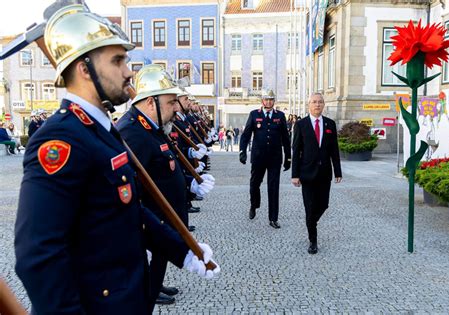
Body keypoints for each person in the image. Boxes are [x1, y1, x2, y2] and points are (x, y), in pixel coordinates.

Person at [14, 5, 219, 314]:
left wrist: (183, 251)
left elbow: (128, 210)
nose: (128, 71)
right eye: (118, 60)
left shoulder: (100, 128)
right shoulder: (60, 139)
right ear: (85, 69)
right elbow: (38, 255)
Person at [117, 65, 215, 305]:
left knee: (155, 279)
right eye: (171, 102)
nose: (175, 108)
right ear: (151, 102)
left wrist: (190, 183)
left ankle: (156, 283)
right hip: (152, 231)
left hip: (163, 228)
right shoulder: (132, 133)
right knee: (144, 299)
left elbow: (164, 170)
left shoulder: (152, 127)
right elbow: (131, 195)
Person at [291, 93, 342, 254]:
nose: (317, 105)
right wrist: (295, 174)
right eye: (314, 102)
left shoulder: (330, 124)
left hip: (325, 173)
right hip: (307, 174)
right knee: (309, 207)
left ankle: (311, 221)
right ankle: (313, 240)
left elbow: (334, 149)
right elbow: (296, 150)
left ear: (324, 105)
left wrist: (338, 171)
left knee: (323, 204)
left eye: (320, 102)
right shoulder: (301, 124)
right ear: (309, 105)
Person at [239, 90, 291, 229]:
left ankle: (273, 218)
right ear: (262, 101)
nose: (268, 102)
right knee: (254, 184)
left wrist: (288, 157)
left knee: (273, 187)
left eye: (271, 99)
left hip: (274, 158)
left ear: (274, 101)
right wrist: (242, 151)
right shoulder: (254, 114)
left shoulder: (280, 116)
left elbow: (285, 138)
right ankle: (254, 204)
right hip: (258, 157)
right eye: (266, 99)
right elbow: (246, 135)